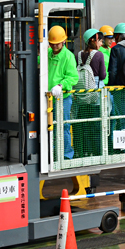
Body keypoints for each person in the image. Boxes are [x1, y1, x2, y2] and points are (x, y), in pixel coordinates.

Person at [47, 25, 79, 160]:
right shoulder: (48, 53)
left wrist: (61, 85)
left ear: (64, 41)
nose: (54, 47)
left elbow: (73, 78)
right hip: (47, 98)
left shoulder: (68, 56)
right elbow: (38, 61)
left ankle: (66, 155)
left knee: (63, 126)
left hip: (62, 99)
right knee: (49, 127)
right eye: (52, 44)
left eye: (57, 44)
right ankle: (51, 153)